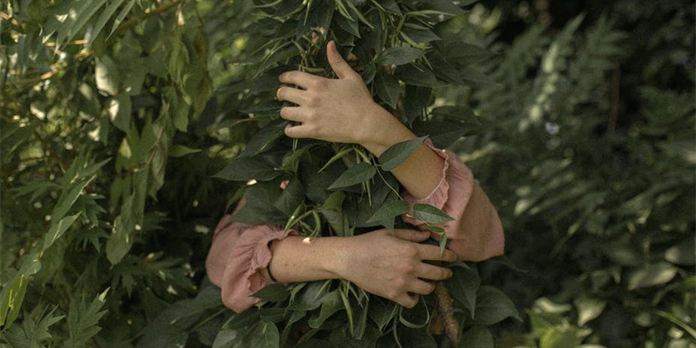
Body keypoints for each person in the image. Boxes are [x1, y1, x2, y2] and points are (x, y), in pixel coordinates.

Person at [206, 41, 504, 313]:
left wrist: (370, 125)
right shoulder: (293, 159)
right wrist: (344, 258)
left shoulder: (406, 130)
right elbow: (223, 255)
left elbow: (477, 235)